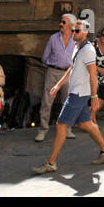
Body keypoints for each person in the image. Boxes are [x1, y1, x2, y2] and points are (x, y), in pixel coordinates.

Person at [33, 19, 104, 173]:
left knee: (61, 125)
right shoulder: (77, 47)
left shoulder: (88, 50)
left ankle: (51, 163)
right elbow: (72, 68)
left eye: (77, 31)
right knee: (85, 124)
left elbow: (92, 75)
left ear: (84, 33)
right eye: (73, 30)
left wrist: (95, 97)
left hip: (79, 94)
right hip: (77, 92)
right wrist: (58, 85)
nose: (73, 33)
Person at [37, 12, 76, 141]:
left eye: (63, 22)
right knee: (47, 102)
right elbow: (44, 57)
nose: (60, 24)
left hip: (68, 73)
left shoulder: (76, 40)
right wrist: (53, 64)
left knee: (68, 103)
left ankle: (67, 129)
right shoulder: (53, 38)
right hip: (53, 72)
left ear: (71, 25)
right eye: (61, 22)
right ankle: (42, 130)